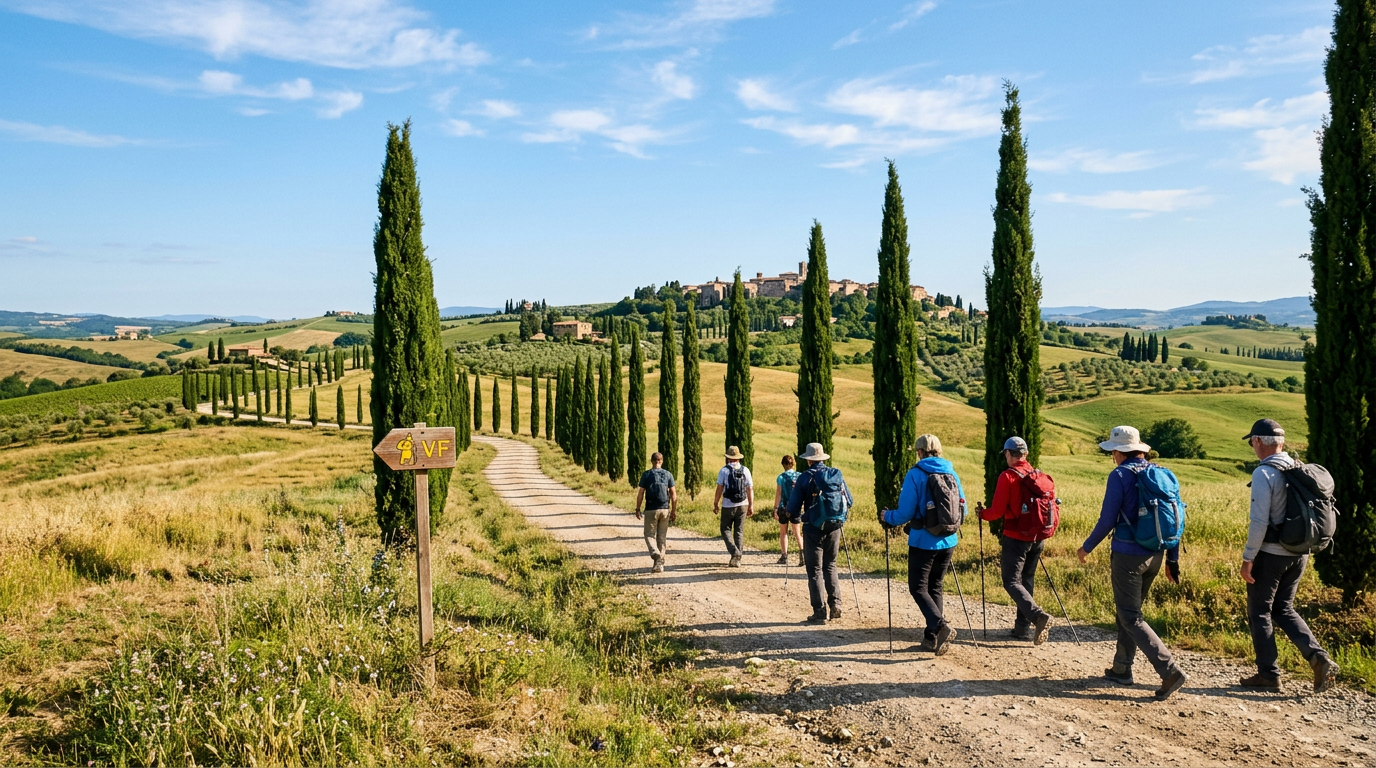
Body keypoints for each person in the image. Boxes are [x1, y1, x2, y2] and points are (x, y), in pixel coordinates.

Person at [1077, 425, 1188, 701]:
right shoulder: (1160, 473)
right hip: (1157, 553)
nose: (1112, 457)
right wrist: (1172, 560)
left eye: (1112, 452)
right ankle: (1121, 668)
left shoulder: (1120, 475)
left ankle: (1169, 670)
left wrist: (1086, 547)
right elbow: (1176, 518)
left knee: (1130, 616)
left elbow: (1107, 519)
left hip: (1128, 555)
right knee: (1130, 612)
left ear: (1119, 451)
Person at [1239, 418, 1339, 693]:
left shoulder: (1264, 473)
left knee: (1260, 611)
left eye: (1251, 442)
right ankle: (1319, 658)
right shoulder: (1298, 468)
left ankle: (1268, 675)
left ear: (1258, 441)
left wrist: (1248, 559)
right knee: (1283, 608)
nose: (1252, 446)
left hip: (1271, 554)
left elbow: (1259, 522)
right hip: (1300, 553)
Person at [880, 434, 967, 655]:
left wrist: (887, 516)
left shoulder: (916, 474)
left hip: (923, 540)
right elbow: (962, 509)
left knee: (918, 587)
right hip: (949, 540)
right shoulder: (951, 472)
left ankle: (940, 625)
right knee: (935, 586)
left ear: (919, 451)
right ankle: (932, 639)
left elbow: (905, 512)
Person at [976, 436, 1054, 644]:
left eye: (1006, 455)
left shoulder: (1007, 477)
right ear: (1026, 454)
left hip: (1016, 536)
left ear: (1009, 454)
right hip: (1038, 536)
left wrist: (982, 514)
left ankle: (1038, 616)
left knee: (1011, 581)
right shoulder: (1037, 475)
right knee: (1026, 579)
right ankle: (1021, 628)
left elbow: (997, 511)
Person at [785, 442, 855, 623]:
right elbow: (850, 500)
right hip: (834, 527)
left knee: (814, 569)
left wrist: (793, 515)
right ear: (822, 458)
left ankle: (819, 611)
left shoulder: (804, 478)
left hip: (813, 528)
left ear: (808, 460)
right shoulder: (834, 475)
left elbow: (793, 507)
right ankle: (836, 605)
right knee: (830, 565)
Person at [635, 452, 678, 574]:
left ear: (652, 461)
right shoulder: (668, 474)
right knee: (662, 536)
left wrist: (638, 508)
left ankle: (655, 554)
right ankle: (659, 564)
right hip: (665, 509)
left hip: (650, 509)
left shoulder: (646, 475)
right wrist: (673, 511)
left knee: (649, 534)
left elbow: (641, 493)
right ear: (661, 461)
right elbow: (673, 495)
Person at [713, 445, 754, 567]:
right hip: (743, 504)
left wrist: (716, 503)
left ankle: (735, 552)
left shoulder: (724, 470)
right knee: (739, 531)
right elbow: (750, 488)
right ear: (738, 458)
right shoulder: (745, 470)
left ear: (728, 458)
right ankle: (737, 559)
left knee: (725, 529)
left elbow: (719, 488)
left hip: (728, 504)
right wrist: (751, 504)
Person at [775, 455, 804, 566]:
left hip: (783, 507)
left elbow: (778, 493)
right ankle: (802, 556)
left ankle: (784, 556)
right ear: (794, 464)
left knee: (783, 532)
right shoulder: (799, 476)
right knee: (798, 533)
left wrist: (776, 508)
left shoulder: (781, 477)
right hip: (796, 508)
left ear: (783, 465)